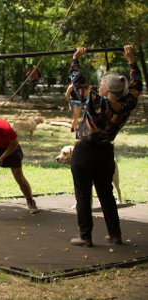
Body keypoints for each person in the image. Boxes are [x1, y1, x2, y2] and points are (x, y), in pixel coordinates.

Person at [69, 45, 142, 248]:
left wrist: (76, 58)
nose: (99, 86)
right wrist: (132, 61)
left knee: (83, 194)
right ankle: (115, 234)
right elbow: (136, 86)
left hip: (85, 152)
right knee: (106, 194)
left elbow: (77, 81)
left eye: (101, 83)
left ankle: (85, 236)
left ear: (107, 89)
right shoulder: (127, 104)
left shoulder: (95, 101)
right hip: (105, 153)